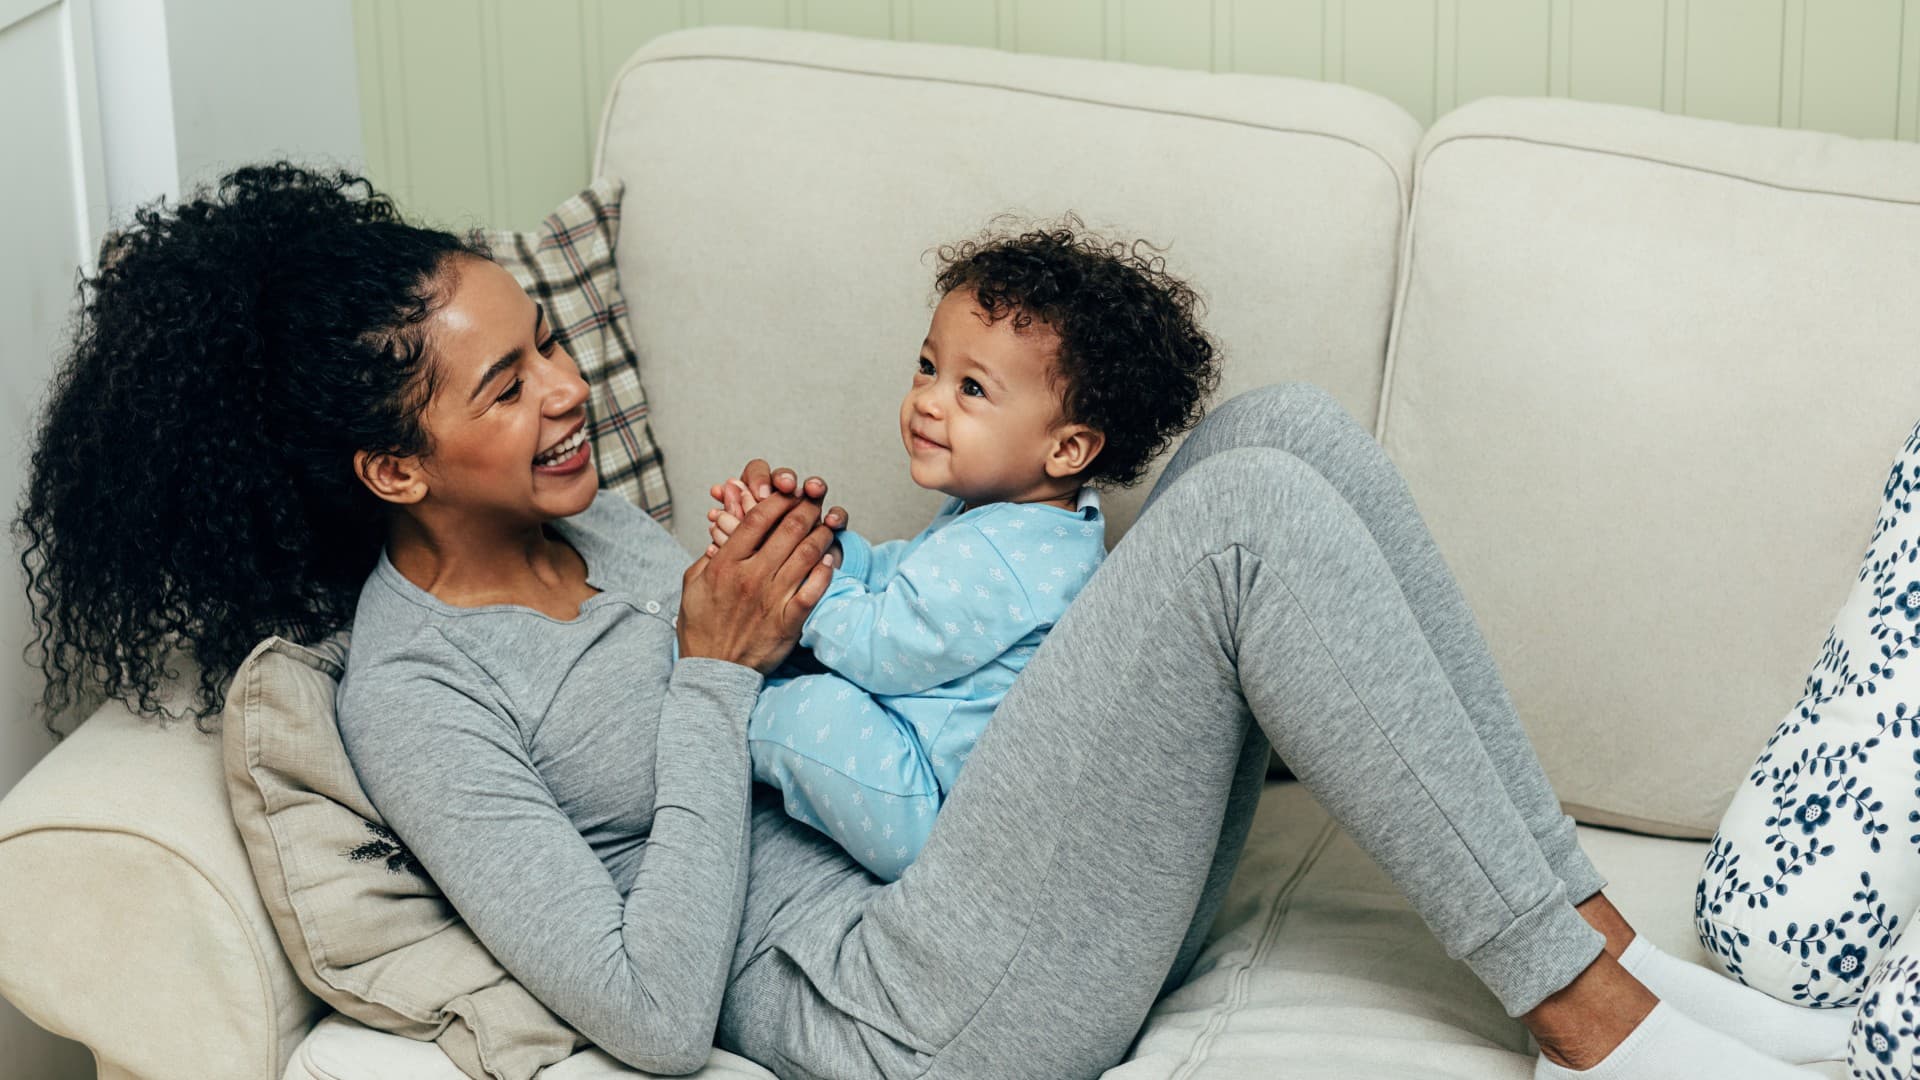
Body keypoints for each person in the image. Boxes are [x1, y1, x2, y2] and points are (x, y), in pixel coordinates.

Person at [15, 163, 1845, 1080]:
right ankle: (1600, 1022)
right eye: (504, 387)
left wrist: (811, 591)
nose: (565, 395)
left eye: (551, 345)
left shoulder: (600, 518)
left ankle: (1594, 933)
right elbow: (650, 1015)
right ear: (393, 471)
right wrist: (724, 675)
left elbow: (818, 686)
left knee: (1275, 439)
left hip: (987, 870)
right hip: (920, 1009)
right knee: (1252, 528)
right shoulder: (415, 699)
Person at [704, 223, 1214, 881]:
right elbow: (903, 580)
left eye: (971, 389)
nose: (926, 402)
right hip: (913, 750)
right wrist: (813, 550)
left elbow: (884, 648)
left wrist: (801, 590)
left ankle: (724, 719)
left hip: (936, 809)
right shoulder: (1020, 523)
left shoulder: (1010, 563)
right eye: (928, 367)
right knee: (806, 665)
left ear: (1066, 448)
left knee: (811, 709)